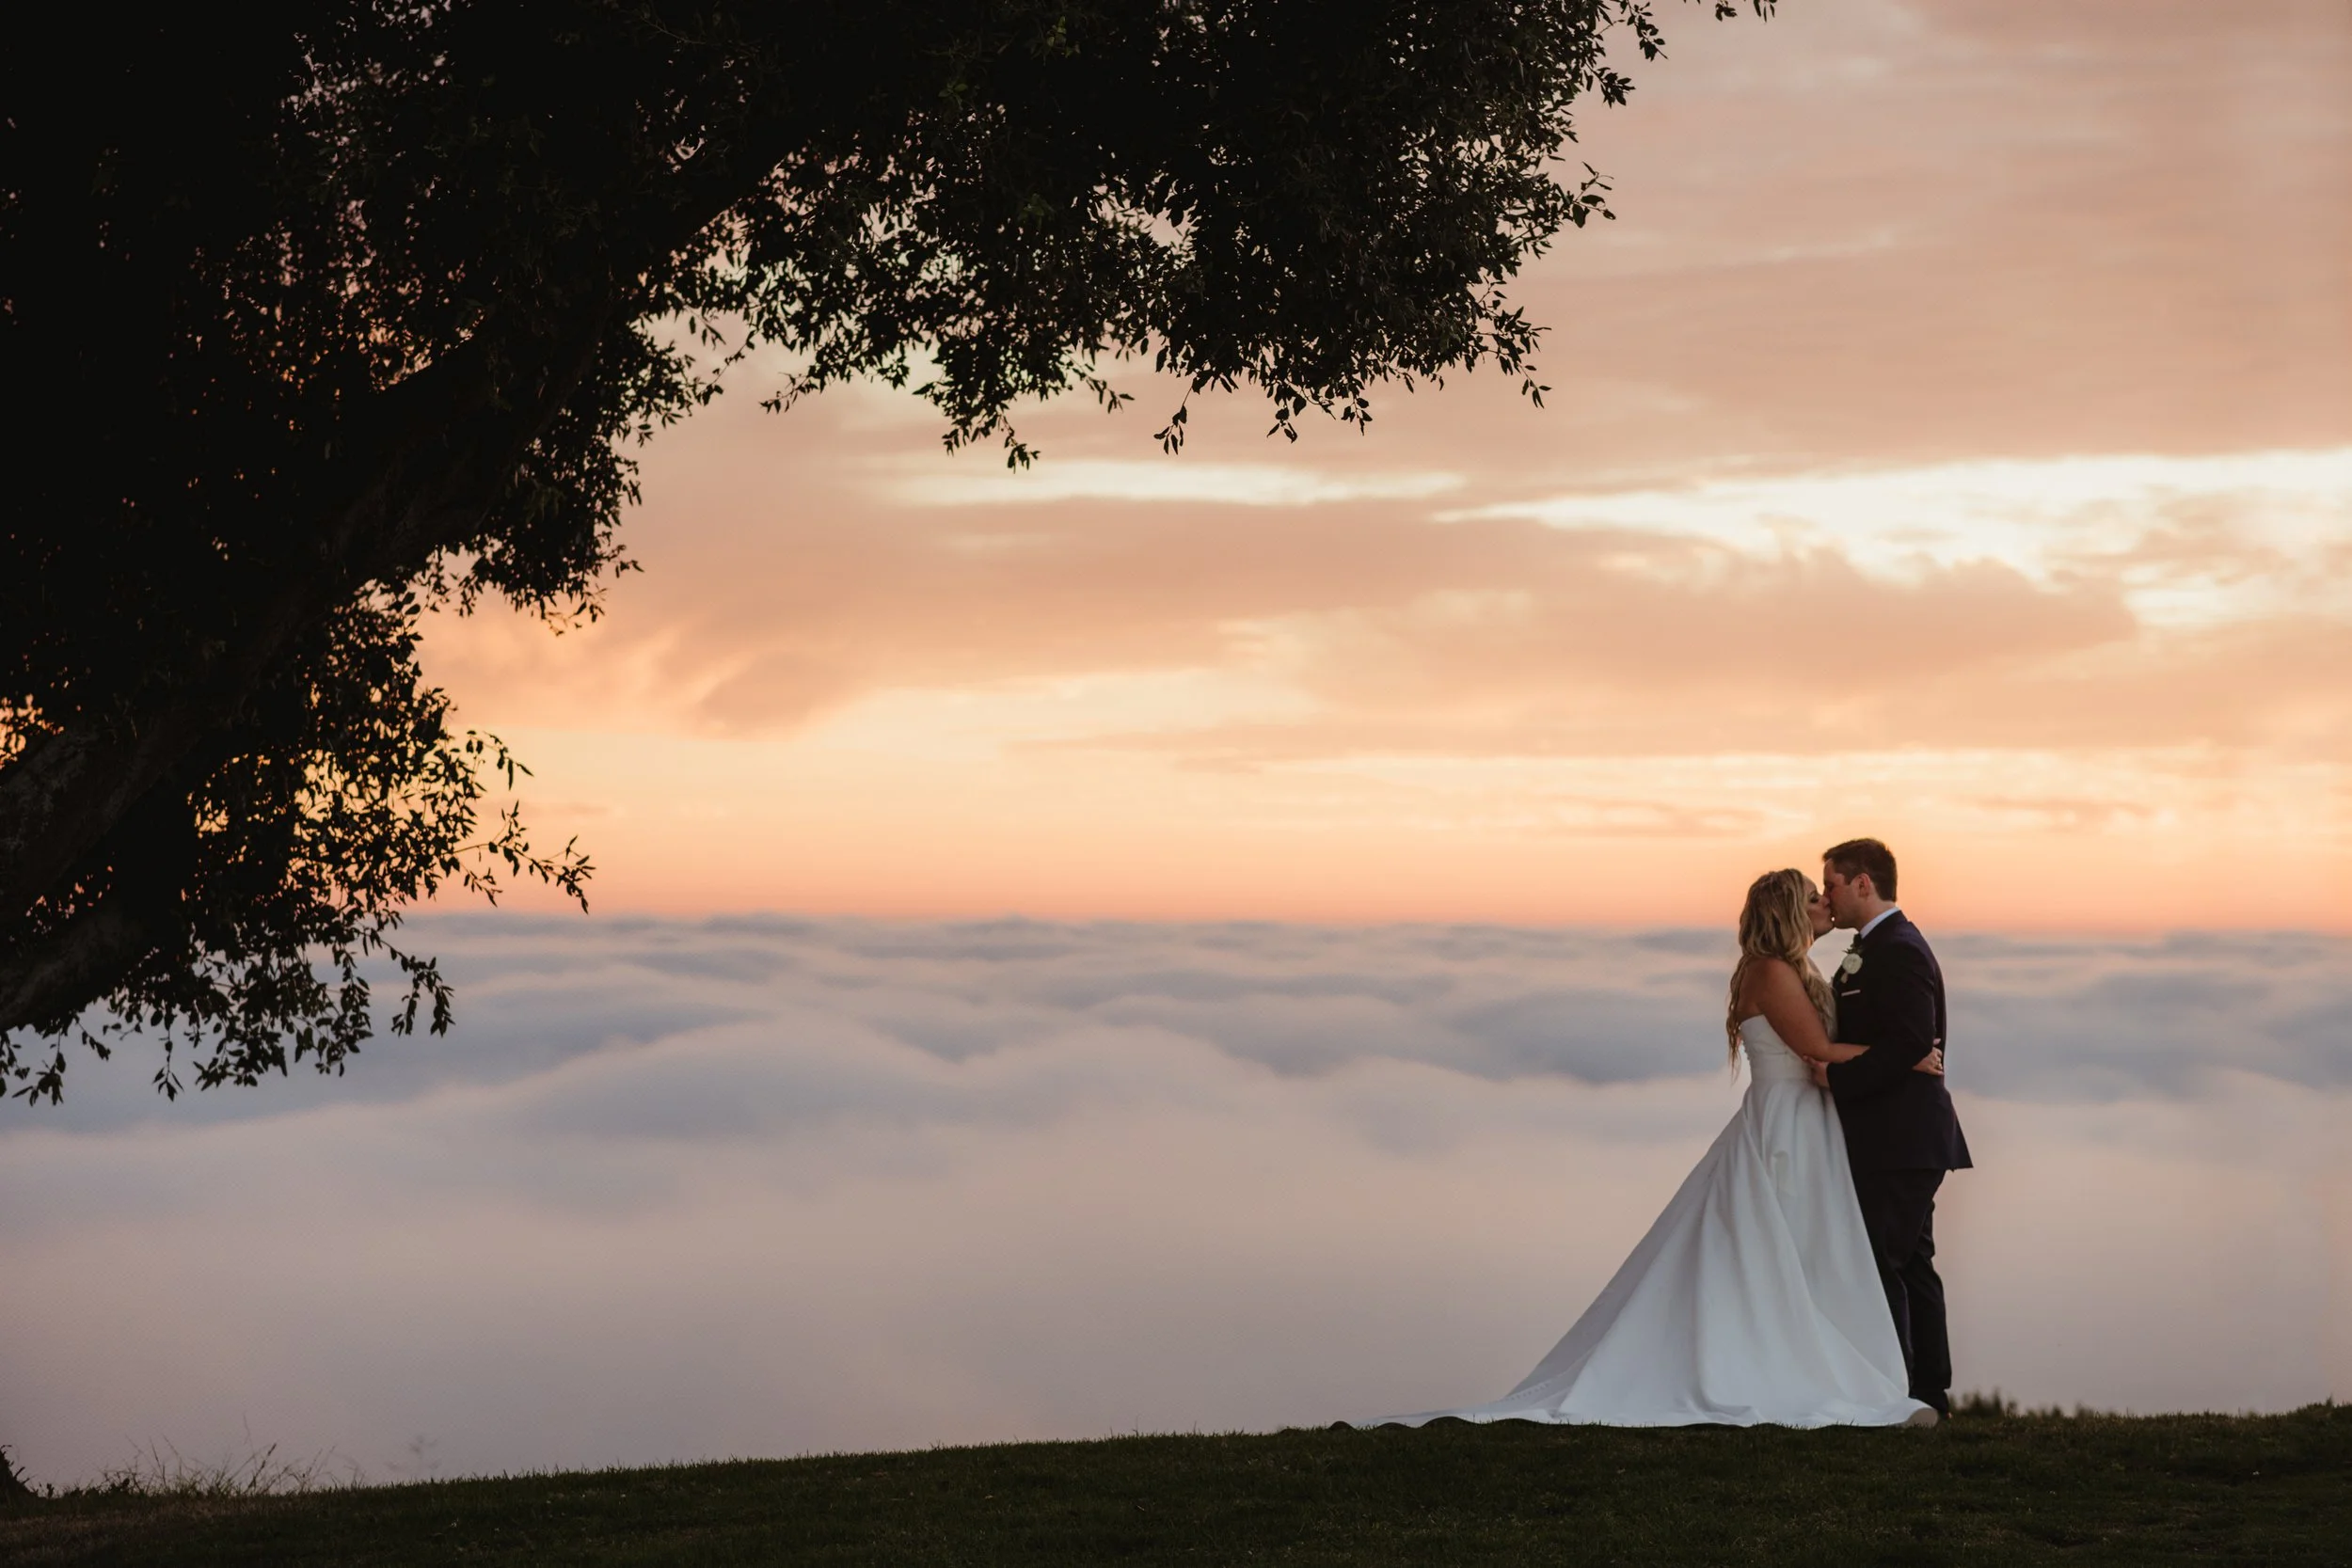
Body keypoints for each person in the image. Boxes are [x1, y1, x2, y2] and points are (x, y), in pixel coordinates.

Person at [1366, 867, 1944, 1429]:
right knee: (1781, 1251)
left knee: (1805, 1253)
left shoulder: (1791, 969)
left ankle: (1838, 1363)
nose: (1826, 904)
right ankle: (1780, 1365)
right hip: (1786, 1127)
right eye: (1814, 898)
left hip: (1811, 1121)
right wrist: (1904, 1054)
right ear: (1792, 911)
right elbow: (1814, 1047)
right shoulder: (1769, 972)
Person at [1814, 837, 1972, 1418]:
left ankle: (1900, 1392)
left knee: (1880, 1262)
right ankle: (1928, 1389)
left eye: (1830, 883)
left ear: (1862, 883)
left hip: (1902, 1137)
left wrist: (1836, 1077)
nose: (1826, 894)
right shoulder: (1871, 947)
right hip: (1901, 1137)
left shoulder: (1899, 948)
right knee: (1910, 1263)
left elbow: (1912, 1039)